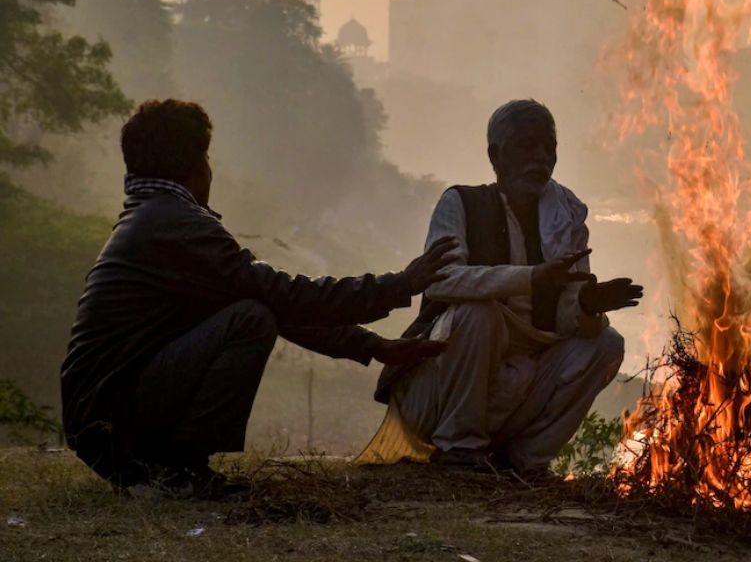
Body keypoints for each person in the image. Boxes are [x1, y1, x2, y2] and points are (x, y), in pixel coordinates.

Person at [61, 99, 460, 498]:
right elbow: (283, 296)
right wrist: (400, 284)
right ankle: (178, 470)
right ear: (198, 165)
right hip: (111, 421)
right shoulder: (179, 226)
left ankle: (167, 469)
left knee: (252, 310)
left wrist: (372, 345)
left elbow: (279, 304)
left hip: (99, 418)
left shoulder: (152, 219)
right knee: (250, 318)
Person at [361, 99, 642, 475]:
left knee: (607, 343)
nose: (541, 158)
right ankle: (459, 448)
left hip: (519, 385)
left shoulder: (566, 220)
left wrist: (589, 304)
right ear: (496, 155)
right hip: (440, 391)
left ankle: (527, 460)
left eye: (549, 148)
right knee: (479, 312)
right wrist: (530, 277)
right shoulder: (460, 203)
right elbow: (442, 281)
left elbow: (567, 320)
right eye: (527, 146)